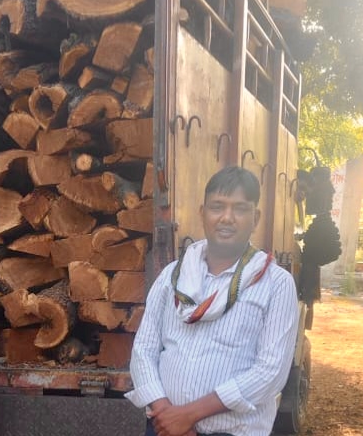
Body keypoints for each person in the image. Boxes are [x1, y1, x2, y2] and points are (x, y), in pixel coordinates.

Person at [127, 166, 300, 436]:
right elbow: (144, 350)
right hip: (165, 429)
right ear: (202, 213)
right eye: (217, 207)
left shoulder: (275, 283)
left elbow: (271, 373)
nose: (227, 218)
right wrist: (167, 416)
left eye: (240, 209)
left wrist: (188, 415)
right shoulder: (173, 275)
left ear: (255, 218)